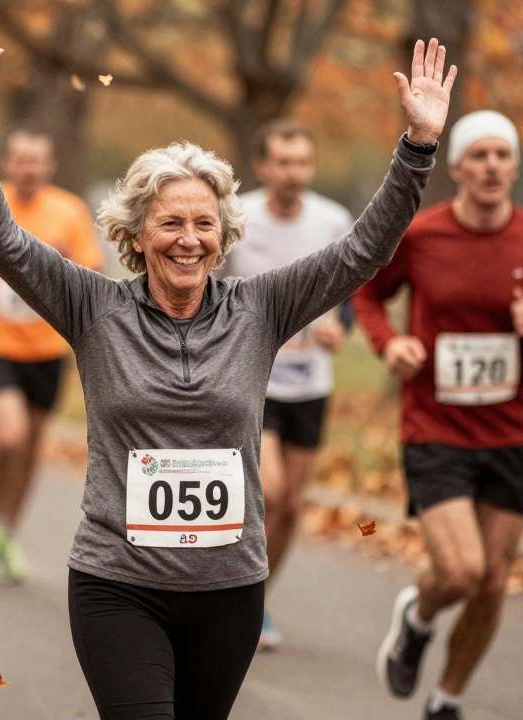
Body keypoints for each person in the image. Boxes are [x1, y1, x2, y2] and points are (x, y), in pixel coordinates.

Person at [0, 16, 453, 717]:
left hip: (228, 586)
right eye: (171, 223)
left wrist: (418, 147)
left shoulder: (260, 309)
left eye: (205, 224)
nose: (189, 239)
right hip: (117, 584)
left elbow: (362, 251)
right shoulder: (94, 308)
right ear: (137, 233)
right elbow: (2, 241)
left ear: (225, 235)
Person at [353, 110, 523, 720]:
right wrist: (388, 344)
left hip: (511, 435)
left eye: (501, 155)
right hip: (434, 429)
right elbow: (368, 292)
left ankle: (446, 699)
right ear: (455, 167)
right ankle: (418, 614)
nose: (490, 166)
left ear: (514, 166)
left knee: (491, 584)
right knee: (460, 571)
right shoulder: (422, 234)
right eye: (477, 155)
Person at [215, 118, 354, 651]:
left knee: (292, 502)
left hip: (310, 381)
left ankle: (258, 597)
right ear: (262, 166)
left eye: (302, 163)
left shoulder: (332, 219)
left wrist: (340, 326)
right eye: (283, 162)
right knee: (268, 489)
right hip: (252, 381)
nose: (293, 173)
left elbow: (352, 292)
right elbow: (209, 286)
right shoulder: (238, 217)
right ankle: (242, 591)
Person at [0, 125, 105, 582]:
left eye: (37, 160)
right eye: (20, 159)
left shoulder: (68, 210)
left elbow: (93, 271)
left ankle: (5, 532)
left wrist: (65, 264)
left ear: (50, 166)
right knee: (10, 435)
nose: (28, 168)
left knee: (32, 447)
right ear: (7, 163)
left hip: (46, 347)